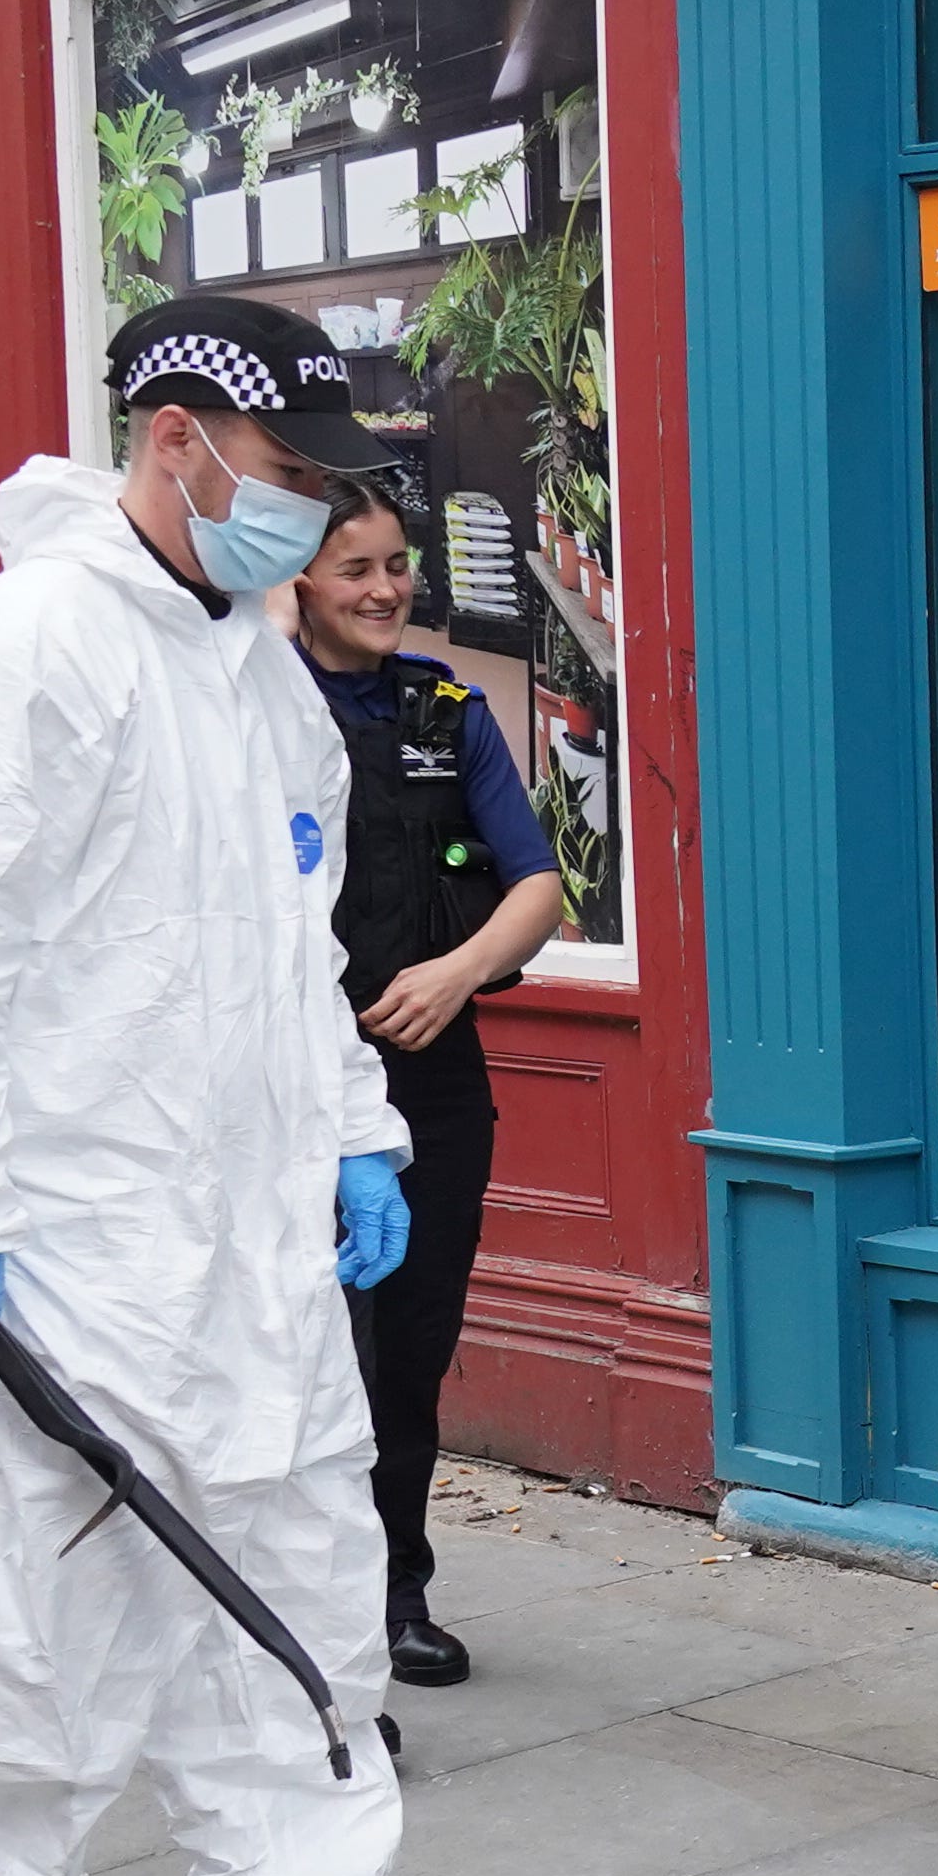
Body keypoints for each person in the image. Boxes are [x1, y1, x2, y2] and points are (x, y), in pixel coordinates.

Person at [0, 296, 528, 1876]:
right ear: (176, 444)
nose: (311, 520)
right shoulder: (23, 657)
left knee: (304, 1630)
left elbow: (297, 953)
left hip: (255, 1254)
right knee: (66, 1660)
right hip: (76, 1264)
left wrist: (360, 1135)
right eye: (292, 482)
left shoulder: (251, 669)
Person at [290, 480, 569, 1689]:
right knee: (297, 1354)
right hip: (285, 1082)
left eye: (397, 564)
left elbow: (539, 886)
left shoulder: (444, 710)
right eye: (357, 567)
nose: (386, 588)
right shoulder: (255, 708)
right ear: (300, 578)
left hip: (430, 1083)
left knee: (406, 1351)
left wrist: (458, 973)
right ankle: (295, 1601)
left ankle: (395, 1588)